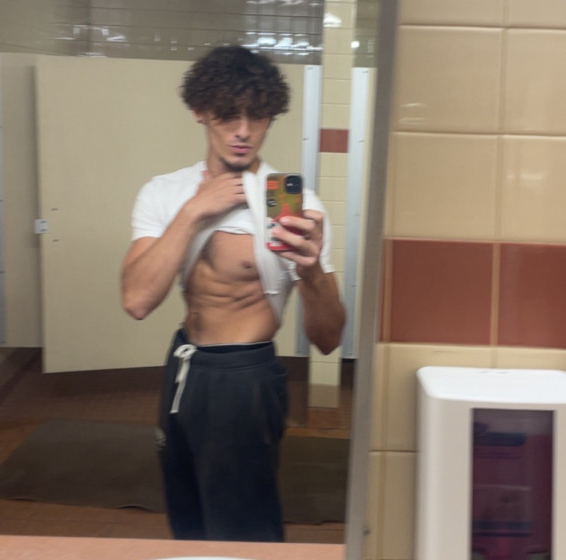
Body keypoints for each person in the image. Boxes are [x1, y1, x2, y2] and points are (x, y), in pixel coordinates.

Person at [120, 45, 345, 542]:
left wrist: (311, 271)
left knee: (244, 526)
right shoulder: (165, 193)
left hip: (245, 376)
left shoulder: (296, 205)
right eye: (227, 115)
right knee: (187, 515)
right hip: (184, 363)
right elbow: (137, 300)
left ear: (270, 118)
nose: (243, 131)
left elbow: (329, 339)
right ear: (200, 112)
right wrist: (195, 211)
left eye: (257, 116)